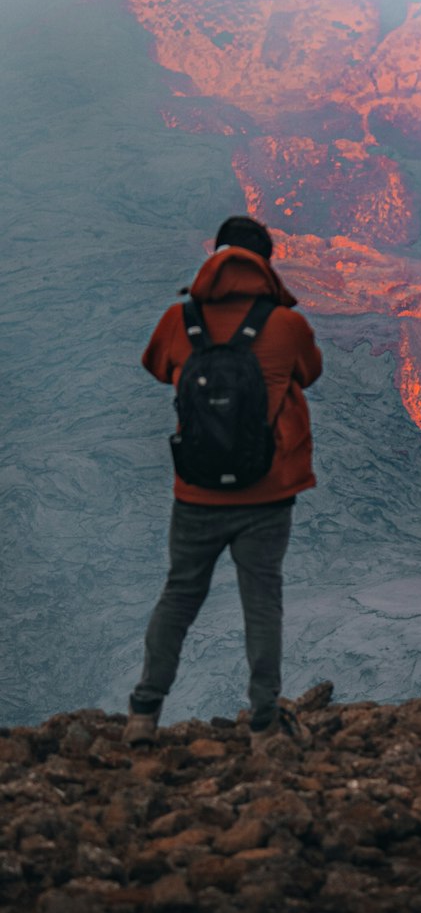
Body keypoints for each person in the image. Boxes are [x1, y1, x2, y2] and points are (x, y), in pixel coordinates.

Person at [124, 216, 323, 750]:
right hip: (269, 492)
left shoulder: (177, 320)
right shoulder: (286, 326)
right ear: (266, 263)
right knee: (262, 600)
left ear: (214, 258)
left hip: (197, 494)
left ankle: (144, 713)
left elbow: (159, 368)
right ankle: (263, 724)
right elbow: (310, 372)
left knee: (180, 595)